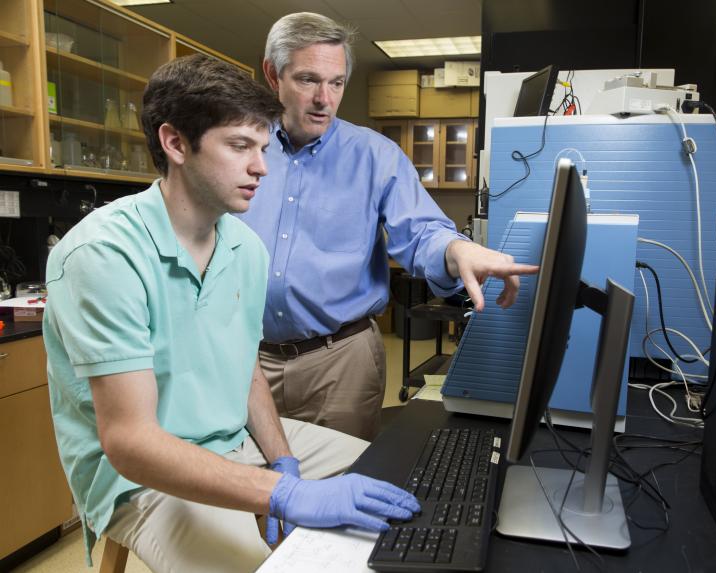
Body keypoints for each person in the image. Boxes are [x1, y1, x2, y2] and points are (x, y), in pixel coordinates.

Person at [43, 54, 419, 573]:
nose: (261, 166)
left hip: (230, 441)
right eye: (240, 146)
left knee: (397, 474)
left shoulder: (244, 247)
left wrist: (282, 461)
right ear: (175, 143)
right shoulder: (103, 255)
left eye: (263, 147)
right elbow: (130, 442)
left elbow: (242, 369)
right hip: (140, 478)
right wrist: (281, 493)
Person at [239, 12, 539, 441]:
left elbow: (420, 232)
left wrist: (456, 251)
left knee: (340, 489)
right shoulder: (242, 147)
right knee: (254, 491)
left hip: (339, 362)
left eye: (337, 82)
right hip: (244, 357)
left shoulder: (375, 156)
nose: (325, 98)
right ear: (273, 74)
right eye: (308, 80)